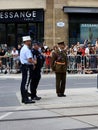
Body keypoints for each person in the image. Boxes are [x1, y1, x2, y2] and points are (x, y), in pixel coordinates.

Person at [20, 36, 37, 104]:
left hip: (25, 67)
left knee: (24, 83)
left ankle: (24, 98)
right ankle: (25, 99)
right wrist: (34, 62)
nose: (30, 42)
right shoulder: (26, 49)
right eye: (29, 41)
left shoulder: (23, 48)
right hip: (27, 67)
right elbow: (29, 59)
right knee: (26, 83)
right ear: (26, 42)